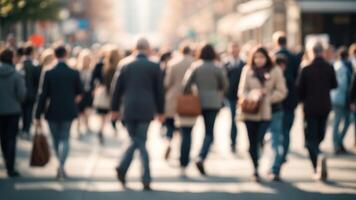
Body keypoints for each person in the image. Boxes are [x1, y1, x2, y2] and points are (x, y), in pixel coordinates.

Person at [111, 38, 165, 191]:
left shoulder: (124, 64)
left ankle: (123, 168)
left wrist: (114, 109)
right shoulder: (154, 65)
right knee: (141, 142)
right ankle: (145, 178)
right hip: (146, 108)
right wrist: (161, 111)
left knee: (135, 140)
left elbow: (116, 89)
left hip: (128, 108)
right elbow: (159, 91)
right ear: (147, 49)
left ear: (135, 48)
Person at [238, 46, 287, 182]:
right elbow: (241, 91)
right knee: (251, 143)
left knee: (259, 140)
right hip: (250, 111)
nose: (259, 60)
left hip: (266, 112)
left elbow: (282, 91)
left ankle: (264, 163)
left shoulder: (275, 70)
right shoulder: (247, 70)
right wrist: (253, 95)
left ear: (267, 58)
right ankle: (255, 169)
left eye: (262, 57)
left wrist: (267, 97)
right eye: (256, 57)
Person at [35, 45, 84, 180]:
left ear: (55, 55)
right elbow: (80, 92)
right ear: (66, 54)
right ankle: (62, 165)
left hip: (52, 110)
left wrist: (37, 115)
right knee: (65, 138)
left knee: (56, 139)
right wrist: (72, 101)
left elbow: (43, 95)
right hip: (68, 110)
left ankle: (59, 163)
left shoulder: (48, 72)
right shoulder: (73, 72)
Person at [182, 44, 228, 176]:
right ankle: (201, 156)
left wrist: (191, 93)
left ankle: (186, 159)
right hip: (213, 102)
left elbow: (186, 84)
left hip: (197, 101)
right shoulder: (217, 67)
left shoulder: (196, 66)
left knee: (190, 129)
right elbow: (225, 85)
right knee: (209, 131)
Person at [298, 42, 337, 181]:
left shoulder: (306, 68)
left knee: (310, 140)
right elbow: (334, 84)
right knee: (319, 135)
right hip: (325, 107)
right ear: (322, 52)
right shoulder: (329, 67)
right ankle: (318, 160)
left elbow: (299, 90)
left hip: (310, 108)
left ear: (312, 52)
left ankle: (317, 160)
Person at [164, 43, 196, 175]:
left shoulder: (172, 63)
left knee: (171, 126)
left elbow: (167, 83)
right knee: (187, 132)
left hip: (173, 99)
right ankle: (184, 161)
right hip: (188, 100)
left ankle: (170, 142)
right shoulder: (194, 63)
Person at [272, 31, 300, 166]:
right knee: (286, 130)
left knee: (277, 130)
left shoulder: (272, 56)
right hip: (290, 98)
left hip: (276, 100)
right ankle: (283, 154)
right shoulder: (293, 56)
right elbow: (297, 77)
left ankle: (278, 154)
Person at [0, 48, 26, 177]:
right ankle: (10, 166)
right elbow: (22, 95)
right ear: (11, 58)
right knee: (11, 139)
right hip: (13, 111)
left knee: (3, 139)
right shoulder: (16, 75)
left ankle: (5, 161)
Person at [91, 47, 120, 144]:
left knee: (103, 116)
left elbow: (94, 79)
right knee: (114, 112)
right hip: (114, 93)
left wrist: (96, 88)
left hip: (103, 92)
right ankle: (114, 127)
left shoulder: (101, 65)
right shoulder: (118, 67)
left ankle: (101, 130)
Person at [223, 42, 245, 153]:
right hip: (231, 97)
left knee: (246, 120)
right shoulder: (226, 64)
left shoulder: (244, 64)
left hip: (243, 96)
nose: (234, 51)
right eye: (232, 49)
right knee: (233, 119)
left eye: (236, 48)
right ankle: (233, 142)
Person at [331, 47, 353, 154]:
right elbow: (343, 85)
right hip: (340, 98)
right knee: (339, 121)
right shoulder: (342, 67)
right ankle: (337, 143)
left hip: (339, 97)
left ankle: (338, 142)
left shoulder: (339, 66)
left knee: (344, 121)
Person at [18, 44, 38, 139]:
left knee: (23, 112)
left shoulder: (19, 65)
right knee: (29, 112)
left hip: (20, 94)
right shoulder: (34, 66)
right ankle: (26, 129)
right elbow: (37, 82)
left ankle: (23, 129)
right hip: (31, 94)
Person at [76, 49, 94, 137]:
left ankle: (87, 126)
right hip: (80, 93)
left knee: (87, 111)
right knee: (79, 112)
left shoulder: (91, 70)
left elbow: (93, 82)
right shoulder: (78, 70)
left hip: (88, 93)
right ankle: (78, 128)